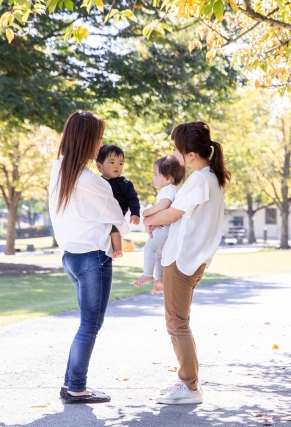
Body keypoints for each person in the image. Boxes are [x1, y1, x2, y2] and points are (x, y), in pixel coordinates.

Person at [143, 121, 230, 405]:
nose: (175, 155)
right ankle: (189, 383)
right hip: (192, 259)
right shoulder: (211, 178)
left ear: (190, 154)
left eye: (177, 149)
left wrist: (148, 220)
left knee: (177, 323)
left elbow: (171, 215)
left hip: (182, 260)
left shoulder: (200, 179)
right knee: (179, 322)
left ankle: (190, 387)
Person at [48, 111, 130, 404]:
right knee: (90, 323)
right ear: (87, 141)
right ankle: (77, 387)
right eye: (98, 139)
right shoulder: (92, 181)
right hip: (93, 258)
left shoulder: (59, 168)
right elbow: (119, 218)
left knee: (87, 322)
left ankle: (71, 383)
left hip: (71, 256)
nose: (101, 145)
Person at [133, 156, 186, 294]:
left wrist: (147, 212)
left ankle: (147, 274)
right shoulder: (176, 190)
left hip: (165, 228)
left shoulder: (168, 189)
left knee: (149, 248)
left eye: (156, 174)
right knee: (159, 254)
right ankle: (159, 280)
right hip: (170, 229)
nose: (153, 178)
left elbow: (164, 205)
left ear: (168, 178)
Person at [95, 144, 141, 258]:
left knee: (113, 228)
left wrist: (135, 214)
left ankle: (117, 249)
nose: (117, 166)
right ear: (99, 167)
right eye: (112, 162)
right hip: (99, 216)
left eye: (120, 163)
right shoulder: (97, 183)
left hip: (115, 216)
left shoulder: (125, 184)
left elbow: (133, 199)